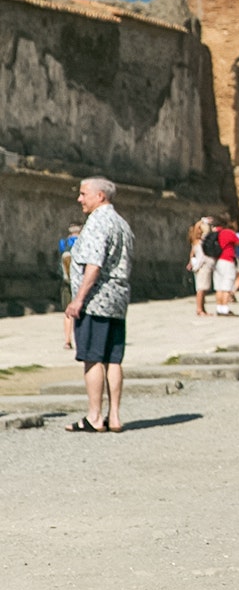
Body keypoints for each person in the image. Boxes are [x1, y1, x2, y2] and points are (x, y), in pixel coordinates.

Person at [63, 177, 133, 433]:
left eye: (83, 194)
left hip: (96, 299)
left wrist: (78, 299)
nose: (80, 199)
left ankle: (94, 416)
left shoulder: (97, 223)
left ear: (100, 196)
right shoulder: (122, 223)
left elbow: (94, 264)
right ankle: (114, 416)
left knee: (93, 359)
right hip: (117, 298)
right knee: (114, 359)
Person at [212, 216, 239, 315]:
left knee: (219, 286)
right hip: (227, 259)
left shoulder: (213, 234)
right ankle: (225, 308)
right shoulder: (228, 233)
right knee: (227, 284)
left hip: (217, 261)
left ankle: (219, 308)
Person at [58, 223, 81, 347]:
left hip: (66, 281)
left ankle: (67, 340)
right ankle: (81, 339)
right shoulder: (82, 242)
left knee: (67, 311)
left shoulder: (64, 244)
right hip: (80, 283)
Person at [186, 218, 214, 317]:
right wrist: (203, 222)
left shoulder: (195, 242)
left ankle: (202, 309)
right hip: (202, 266)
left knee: (203, 289)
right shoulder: (199, 242)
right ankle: (199, 309)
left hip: (201, 266)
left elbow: (192, 254)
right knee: (201, 289)